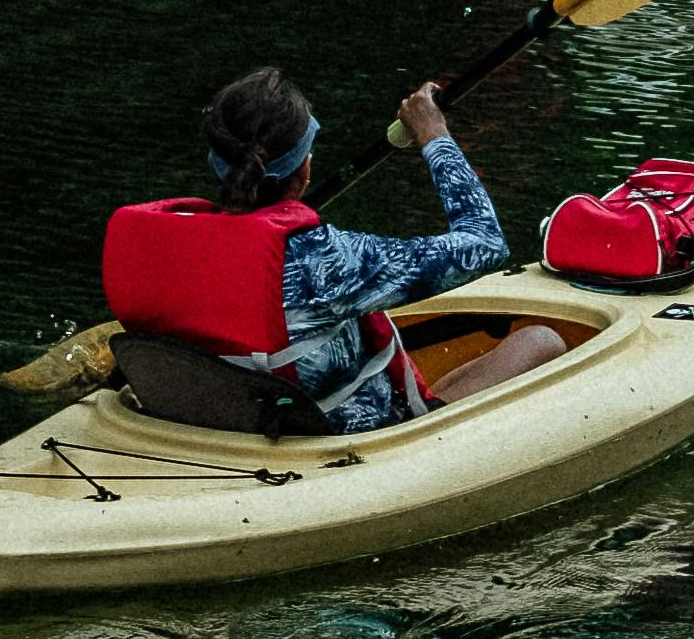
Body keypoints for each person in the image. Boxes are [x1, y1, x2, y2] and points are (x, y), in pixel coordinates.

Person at [100, 67, 568, 434]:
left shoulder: (161, 243)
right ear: (302, 171)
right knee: (541, 340)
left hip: (226, 424)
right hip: (340, 437)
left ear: (218, 164)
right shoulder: (327, 261)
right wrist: (434, 134)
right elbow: (484, 243)